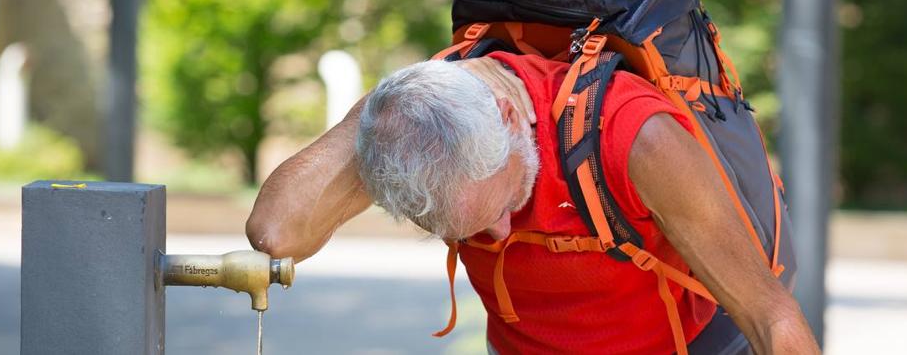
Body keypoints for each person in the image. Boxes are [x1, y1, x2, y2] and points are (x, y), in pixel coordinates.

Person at [245, 50, 820, 354]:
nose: (496, 237)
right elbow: (277, 232)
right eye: (460, 231)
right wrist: (377, 113)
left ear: (508, 116)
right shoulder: (413, 125)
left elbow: (771, 316)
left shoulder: (635, 138)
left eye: (503, 207)